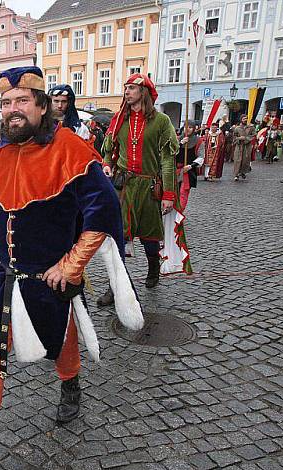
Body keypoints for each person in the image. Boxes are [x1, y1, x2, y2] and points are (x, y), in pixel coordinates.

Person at [0, 66, 143, 470]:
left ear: (41, 106)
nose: (12, 110)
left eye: (21, 101)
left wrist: (72, 265)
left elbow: (102, 210)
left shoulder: (70, 149)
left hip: (47, 277)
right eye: (5, 103)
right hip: (0, 275)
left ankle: (71, 386)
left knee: (62, 341)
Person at [97, 73, 188, 307]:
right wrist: (107, 164)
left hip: (149, 187)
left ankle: (153, 268)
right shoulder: (119, 119)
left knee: (150, 237)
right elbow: (109, 148)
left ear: (143, 92)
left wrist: (168, 194)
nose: (126, 92)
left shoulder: (161, 122)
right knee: (118, 238)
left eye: (131, 88)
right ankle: (114, 287)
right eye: (125, 88)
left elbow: (168, 161)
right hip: (124, 186)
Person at [175, 121, 203, 209]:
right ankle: (173, 215)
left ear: (194, 129)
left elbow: (201, 157)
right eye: (186, 127)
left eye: (190, 127)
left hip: (188, 172)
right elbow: (171, 153)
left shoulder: (198, 141)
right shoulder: (178, 139)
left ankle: (178, 217)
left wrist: (191, 166)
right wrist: (180, 144)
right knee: (174, 194)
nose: (187, 129)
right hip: (175, 170)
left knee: (183, 195)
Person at [231, 115, 256, 181]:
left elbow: (253, 135)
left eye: (246, 118)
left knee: (245, 160)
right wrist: (239, 138)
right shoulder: (237, 128)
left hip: (247, 146)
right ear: (241, 119)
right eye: (244, 118)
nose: (245, 120)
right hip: (239, 146)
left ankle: (243, 172)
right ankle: (236, 174)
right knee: (237, 160)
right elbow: (234, 137)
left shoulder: (251, 128)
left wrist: (246, 139)